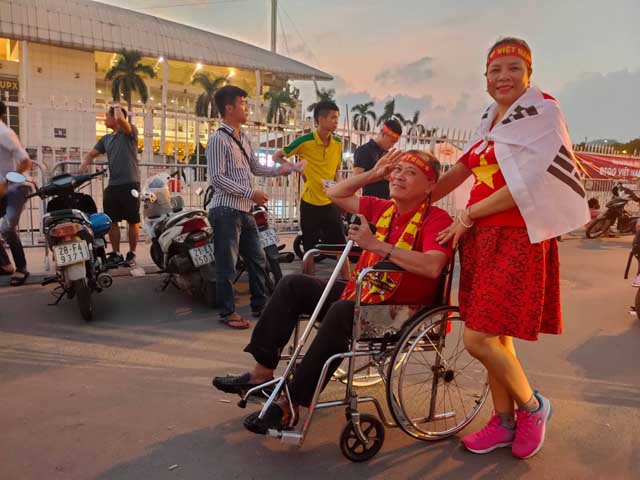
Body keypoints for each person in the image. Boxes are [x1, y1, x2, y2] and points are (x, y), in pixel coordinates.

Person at [212, 150, 454, 434]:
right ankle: (261, 373)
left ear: (429, 186)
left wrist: (376, 245)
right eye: (397, 170)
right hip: (365, 293)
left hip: (403, 311)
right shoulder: (382, 207)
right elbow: (336, 194)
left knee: (342, 311)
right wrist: (374, 174)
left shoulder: (437, 219)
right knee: (293, 284)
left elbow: (433, 266)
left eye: (410, 172)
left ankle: (292, 400)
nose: (399, 176)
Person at [433, 37, 589, 460]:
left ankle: (533, 407)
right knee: (497, 333)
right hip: (483, 237)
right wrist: (414, 196)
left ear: (529, 75)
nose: (503, 77)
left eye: (513, 69)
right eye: (495, 70)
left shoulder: (543, 113)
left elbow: (530, 184)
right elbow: (463, 168)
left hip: (517, 236)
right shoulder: (491, 120)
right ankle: (503, 424)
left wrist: (467, 215)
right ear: (485, 78)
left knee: (478, 338)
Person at [207, 85, 294, 329]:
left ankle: (260, 305)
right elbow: (217, 178)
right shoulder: (218, 140)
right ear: (229, 108)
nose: (247, 108)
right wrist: (251, 193)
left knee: (258, 260)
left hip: (244, 211)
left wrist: (280, 170)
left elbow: (255, 167)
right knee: (227, 265)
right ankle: (227, 312)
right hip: (225, 211)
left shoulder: (242, 137)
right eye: (243, 103)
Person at [273, 101, 345, 252]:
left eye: (337, 118)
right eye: (333, 117)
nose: (336, 121)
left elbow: (336, 172)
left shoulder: (338, 143)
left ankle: (346, 276)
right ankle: (307, 275)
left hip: (331, 202)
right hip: (310, 202)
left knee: (340, 248)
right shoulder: (304, 141)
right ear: (320, 119)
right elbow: (277, 156)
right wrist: (296, 168)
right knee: (309, 250)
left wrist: (341, 195)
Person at [81, 103, 140, 266]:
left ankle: (132, 253)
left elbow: (122, 120)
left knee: (132, 221)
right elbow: (91, 154)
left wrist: (117, 106)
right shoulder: (106, 139)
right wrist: (84, 165)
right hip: (113, 185)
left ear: (115, 117)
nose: (104, 120)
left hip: (130, 183)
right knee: (112, 220)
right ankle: (116, 253)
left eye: (107, 116)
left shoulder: (130, 132)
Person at [0, 100, 32, 286]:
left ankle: (22, 268)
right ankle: (5, 265)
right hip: (3, 188)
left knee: (7, 228)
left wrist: (6, 182)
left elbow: (25, 162)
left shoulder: (4, 133)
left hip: (17, 186)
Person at [352, 118, 403, 199]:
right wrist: (381, 176)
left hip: (387, 201)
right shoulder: (364, 150)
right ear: (383, 134)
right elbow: (356, 179)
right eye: (392, 141)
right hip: (370, 201)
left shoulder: (386, 153)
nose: (392, 145)